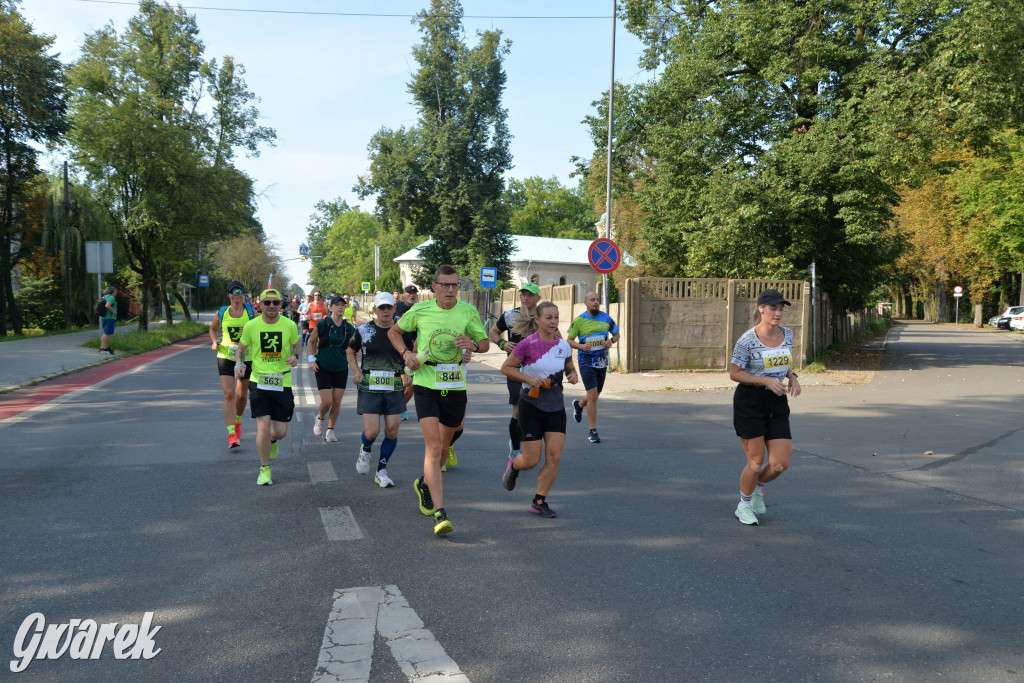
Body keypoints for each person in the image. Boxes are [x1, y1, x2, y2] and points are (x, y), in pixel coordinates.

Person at [389, 265, 489, 536]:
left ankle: (423, 483)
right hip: (425, 383)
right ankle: (440, 513)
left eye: (454, 285)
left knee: (445, 445)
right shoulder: (420, 311)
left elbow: (484, 343)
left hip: (455, 384)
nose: (450, 290)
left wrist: (473, 345)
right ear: (433, 287)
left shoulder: (467, 312)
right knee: (433, 447)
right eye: (444, 285)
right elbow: (394, 332)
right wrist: (405, 354)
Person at [728, 288, 801, 525]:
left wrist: (792, 376)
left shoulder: (787, 334)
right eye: (773, 308)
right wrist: (766, 381)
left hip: (777, 400)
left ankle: (756, 487)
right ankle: (744, 505)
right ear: (761, 308)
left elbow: (784, 361)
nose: (778, 313)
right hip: (750, 401)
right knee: (756, 461)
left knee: (780, 464)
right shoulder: (747, 340)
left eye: (781, 308)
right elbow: (735, 373)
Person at [500, 301, 578, 518]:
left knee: (554, 457)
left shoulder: (563, 345)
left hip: (555, 407)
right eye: (549, 318)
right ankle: (514, 466)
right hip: (531, 406)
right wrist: (529, 379)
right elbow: (506, 368)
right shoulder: (526, 344)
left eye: (556, 317)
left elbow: (570, 368)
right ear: (538, 319)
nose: (553, 322)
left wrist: (573, 375)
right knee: (532, 459)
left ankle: (539, 501)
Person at [348, 292, 415, 488]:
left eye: (389, 307)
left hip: (394, 385)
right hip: (369, 384)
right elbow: (350, 351)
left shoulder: (403, 332)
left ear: (394, 309)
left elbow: (409, 355)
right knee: (372, 432)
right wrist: (357, 372)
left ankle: (381, 470)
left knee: (392, 430)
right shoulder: (364, 330)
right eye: (381, 308)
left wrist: (407, 372)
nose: (385, 311)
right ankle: (366, 448)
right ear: (375, 310)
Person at [235, 288, 300, 486]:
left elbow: (297, 345)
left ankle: (272, 441)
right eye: (267, 303)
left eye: (275, 303)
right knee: (262, 428)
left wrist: (295, 356)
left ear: (281, 305)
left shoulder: (289, 325)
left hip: (282, 381)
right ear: (260, 305)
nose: (271, 306)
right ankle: (264, 468)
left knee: (280, 432)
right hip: (259, 381)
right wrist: (239, 363)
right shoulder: (251, 326)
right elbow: (240, 349)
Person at [488, 282, 541, 463]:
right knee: (518, 408)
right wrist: (502, 343)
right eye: (523, 294)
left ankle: (527, 442)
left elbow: (557, 339)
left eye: (530, 295)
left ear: (538, 298)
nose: (525, 298)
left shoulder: (542, 317)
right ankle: (516, 449)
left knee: (533, 410)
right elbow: (494, 332)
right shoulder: (510, 315)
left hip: (537, 372)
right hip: (515, 370)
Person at [567, 291, 620, 443]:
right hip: (586, 361)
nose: (596, 302)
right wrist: (582, 346)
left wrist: (611, 341)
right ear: (586, 302)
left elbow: (617, 335)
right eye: (592, 300)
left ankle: (579, 405)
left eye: (597, 299)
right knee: (592, 394)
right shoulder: (579, 321)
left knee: (595, 394)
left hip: (601, 362)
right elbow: (569, 340)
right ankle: (593, 431)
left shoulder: (606, 318)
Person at [209, 280, 256, 448]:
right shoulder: (222, 313)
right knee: (229, 394)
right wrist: (215, 342)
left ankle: (237, 422)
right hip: (226, 356)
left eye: (240, 291)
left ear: (243, 294)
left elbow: (260, 329)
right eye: (233, 291)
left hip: (245, 357)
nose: (237, 294)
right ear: (228, 295)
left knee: (242, 395)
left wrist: (250, 333)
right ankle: (231, 434)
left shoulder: (251, 312)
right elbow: (213, 329)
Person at [308, 295, 356, 443]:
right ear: (331, 308)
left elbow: (353, 348)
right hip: (323, 366)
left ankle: (330, 430)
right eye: (337, 305)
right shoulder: (323, 324)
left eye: (343, 305)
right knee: (327, 401)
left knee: (336, 402)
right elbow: (311, 341)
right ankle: (320, 418)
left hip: (341, 367)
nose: (340, 307)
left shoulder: (349, 328)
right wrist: (311, 359)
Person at [393, 284, 419, 421]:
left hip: (414, 351)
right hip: (398, 349)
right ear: (404, 294)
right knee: (403, 381)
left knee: (410, 386)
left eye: (414, 293)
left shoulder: (420, 309)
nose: (412, 295)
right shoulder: (397, 308)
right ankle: (395, 407)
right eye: (409, 293)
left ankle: (401, 407)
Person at [98, 286, 117, 355]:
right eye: (115, 291)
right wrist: (113, 312)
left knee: (105, 333)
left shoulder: (105, 297)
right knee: (107, 334)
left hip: (104, 318)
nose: (116, 293)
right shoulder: (111, 297)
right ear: (112, 292)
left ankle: (104, 347)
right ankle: (104, 349)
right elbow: (107, 306)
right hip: (110, 318)